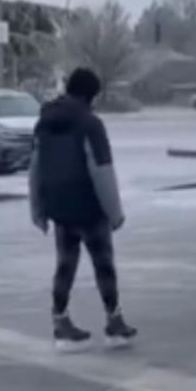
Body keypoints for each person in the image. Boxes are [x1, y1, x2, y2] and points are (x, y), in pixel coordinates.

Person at [28, 67, 136, 351]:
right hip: (90, 208)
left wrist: (37, 208)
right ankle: (114, 323)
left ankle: (60, 322)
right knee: (103, 265)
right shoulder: (91, 124)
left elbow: (36, 167)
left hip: (59, 207)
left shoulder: (46, 120)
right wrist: (115, 212)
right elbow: (101, 170)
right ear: (91, 95)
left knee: (65, 265)